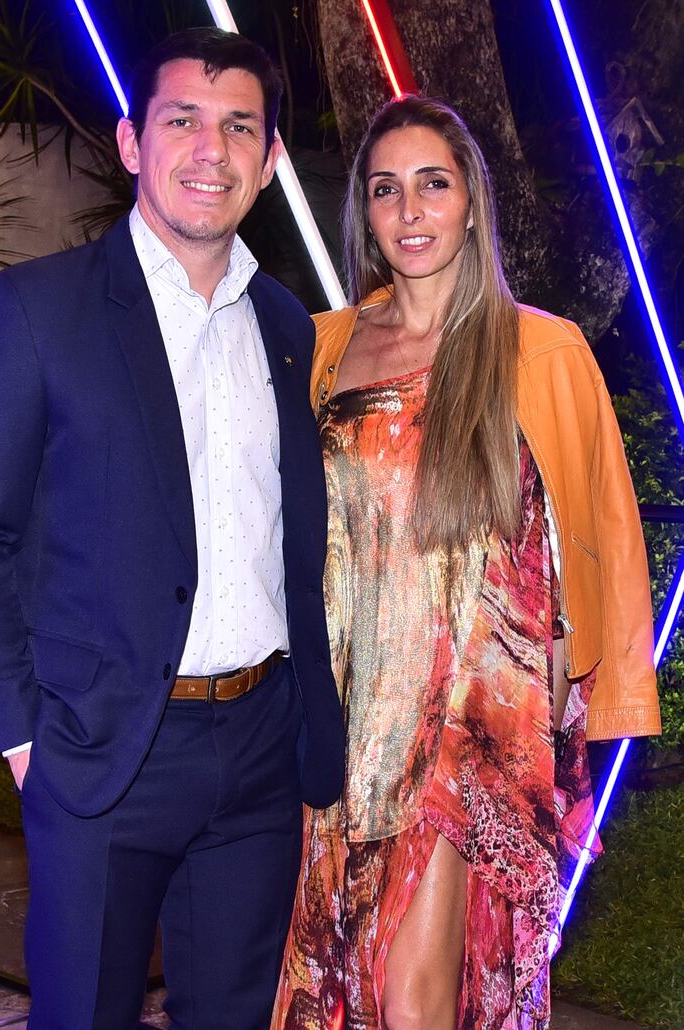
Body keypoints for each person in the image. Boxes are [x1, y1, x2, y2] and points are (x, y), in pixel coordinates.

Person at [0, 27, 344, 1030]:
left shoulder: (286, 326)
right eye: (182, 119)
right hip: (102, 749)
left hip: (260, 749)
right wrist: (22, 736)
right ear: (130, 141)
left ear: (269, 160)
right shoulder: (36, 311)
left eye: (238, 127)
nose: (211, 149)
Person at [272, 96, 659, 1030]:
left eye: (433, 185)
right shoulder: (320, 347)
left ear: (472, 203)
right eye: (386, 189)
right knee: (337, 973)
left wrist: (583, 683)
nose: (409, 211)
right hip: (340, 707)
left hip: (472, 718)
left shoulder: (542, 350)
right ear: (364, 212)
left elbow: (598, 529)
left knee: (412, 994)